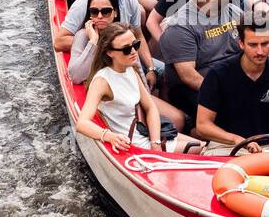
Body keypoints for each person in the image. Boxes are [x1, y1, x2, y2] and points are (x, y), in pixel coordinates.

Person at [76, 22, 199, 154]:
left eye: (135, 45)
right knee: (201, 149)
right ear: (110, 52)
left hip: (147, 134)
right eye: (126, 49)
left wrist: (155, 142)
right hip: (134, 144)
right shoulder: (102, 81)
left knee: (204, 146)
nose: (134, 52)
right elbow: (82, 123)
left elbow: (151, 107)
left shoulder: (130, 70)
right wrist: (109, 136)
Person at [194, 19, 269, 153]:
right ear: (241, 44)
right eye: (253, 45)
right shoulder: (218, 73)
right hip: (225, 145)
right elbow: (202, 125)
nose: (260, 51)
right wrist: (238, 140)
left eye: (265, 44)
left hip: (268, 146)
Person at [159, 0, 244, 116]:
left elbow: (250, 45)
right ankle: (196, 131)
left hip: (234, 76)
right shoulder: (181, 26)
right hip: (198, 87)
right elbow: (189, 76)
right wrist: (226, 92)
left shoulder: (231, 10)